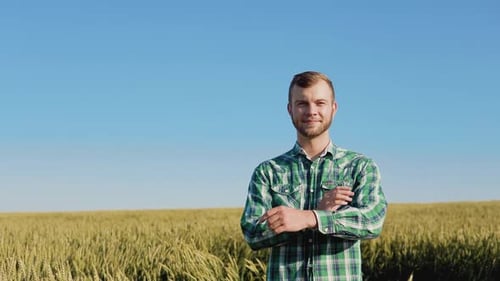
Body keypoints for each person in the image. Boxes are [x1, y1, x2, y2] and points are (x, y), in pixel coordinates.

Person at [240, 71, 387, 281]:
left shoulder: (359, 166)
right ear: (290, 109)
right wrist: (317, 213)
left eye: (320, 103)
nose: (311, 111)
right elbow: (252, 233)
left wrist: (310, 218)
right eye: (302, 103)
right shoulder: (268, 171)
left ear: (333, 108)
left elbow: (372, 221)